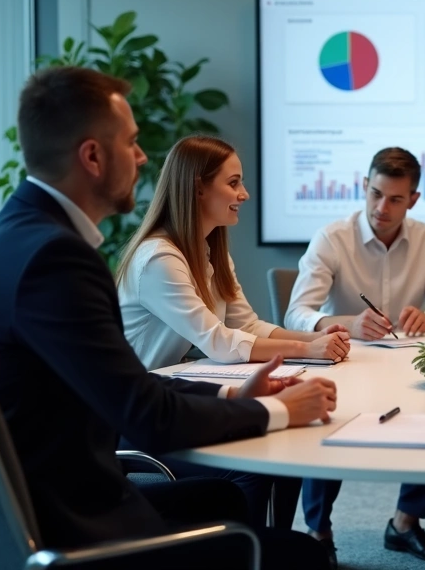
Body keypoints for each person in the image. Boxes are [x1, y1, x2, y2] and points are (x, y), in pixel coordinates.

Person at [0, 66, 334, 570]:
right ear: (93, 156)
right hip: (56, 531)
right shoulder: (56, 259)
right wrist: (280, 411)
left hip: (17, 505)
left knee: (223, 502)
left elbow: (129, 382)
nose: (144, 158)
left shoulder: (15, 234)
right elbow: (146, 415)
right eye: (132, 142)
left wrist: (233, 394)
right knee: (301, 558)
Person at [115, 134, 351, 529]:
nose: (243, 194)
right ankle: (254, 552)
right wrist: (309, 351)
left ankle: (275, 544)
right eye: (233, 182)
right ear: (197, 187)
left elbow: (246, 324)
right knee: (257, 462)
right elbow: (220, 341)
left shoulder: (209, 248)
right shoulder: (159, 258)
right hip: (137, 418)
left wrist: (316, 339)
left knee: (285, 440)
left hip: (174, 397)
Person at [284, 147, 425, 565]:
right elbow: (296, 312)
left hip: (404, 361)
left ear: (413, 200)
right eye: (376, 194)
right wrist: (347, 322)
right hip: (347, 359)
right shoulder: (332, 238)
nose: (383, 208)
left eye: (396, 199)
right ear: (364, 187)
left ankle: (404, 523)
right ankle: (318, 531)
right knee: (325, 417)